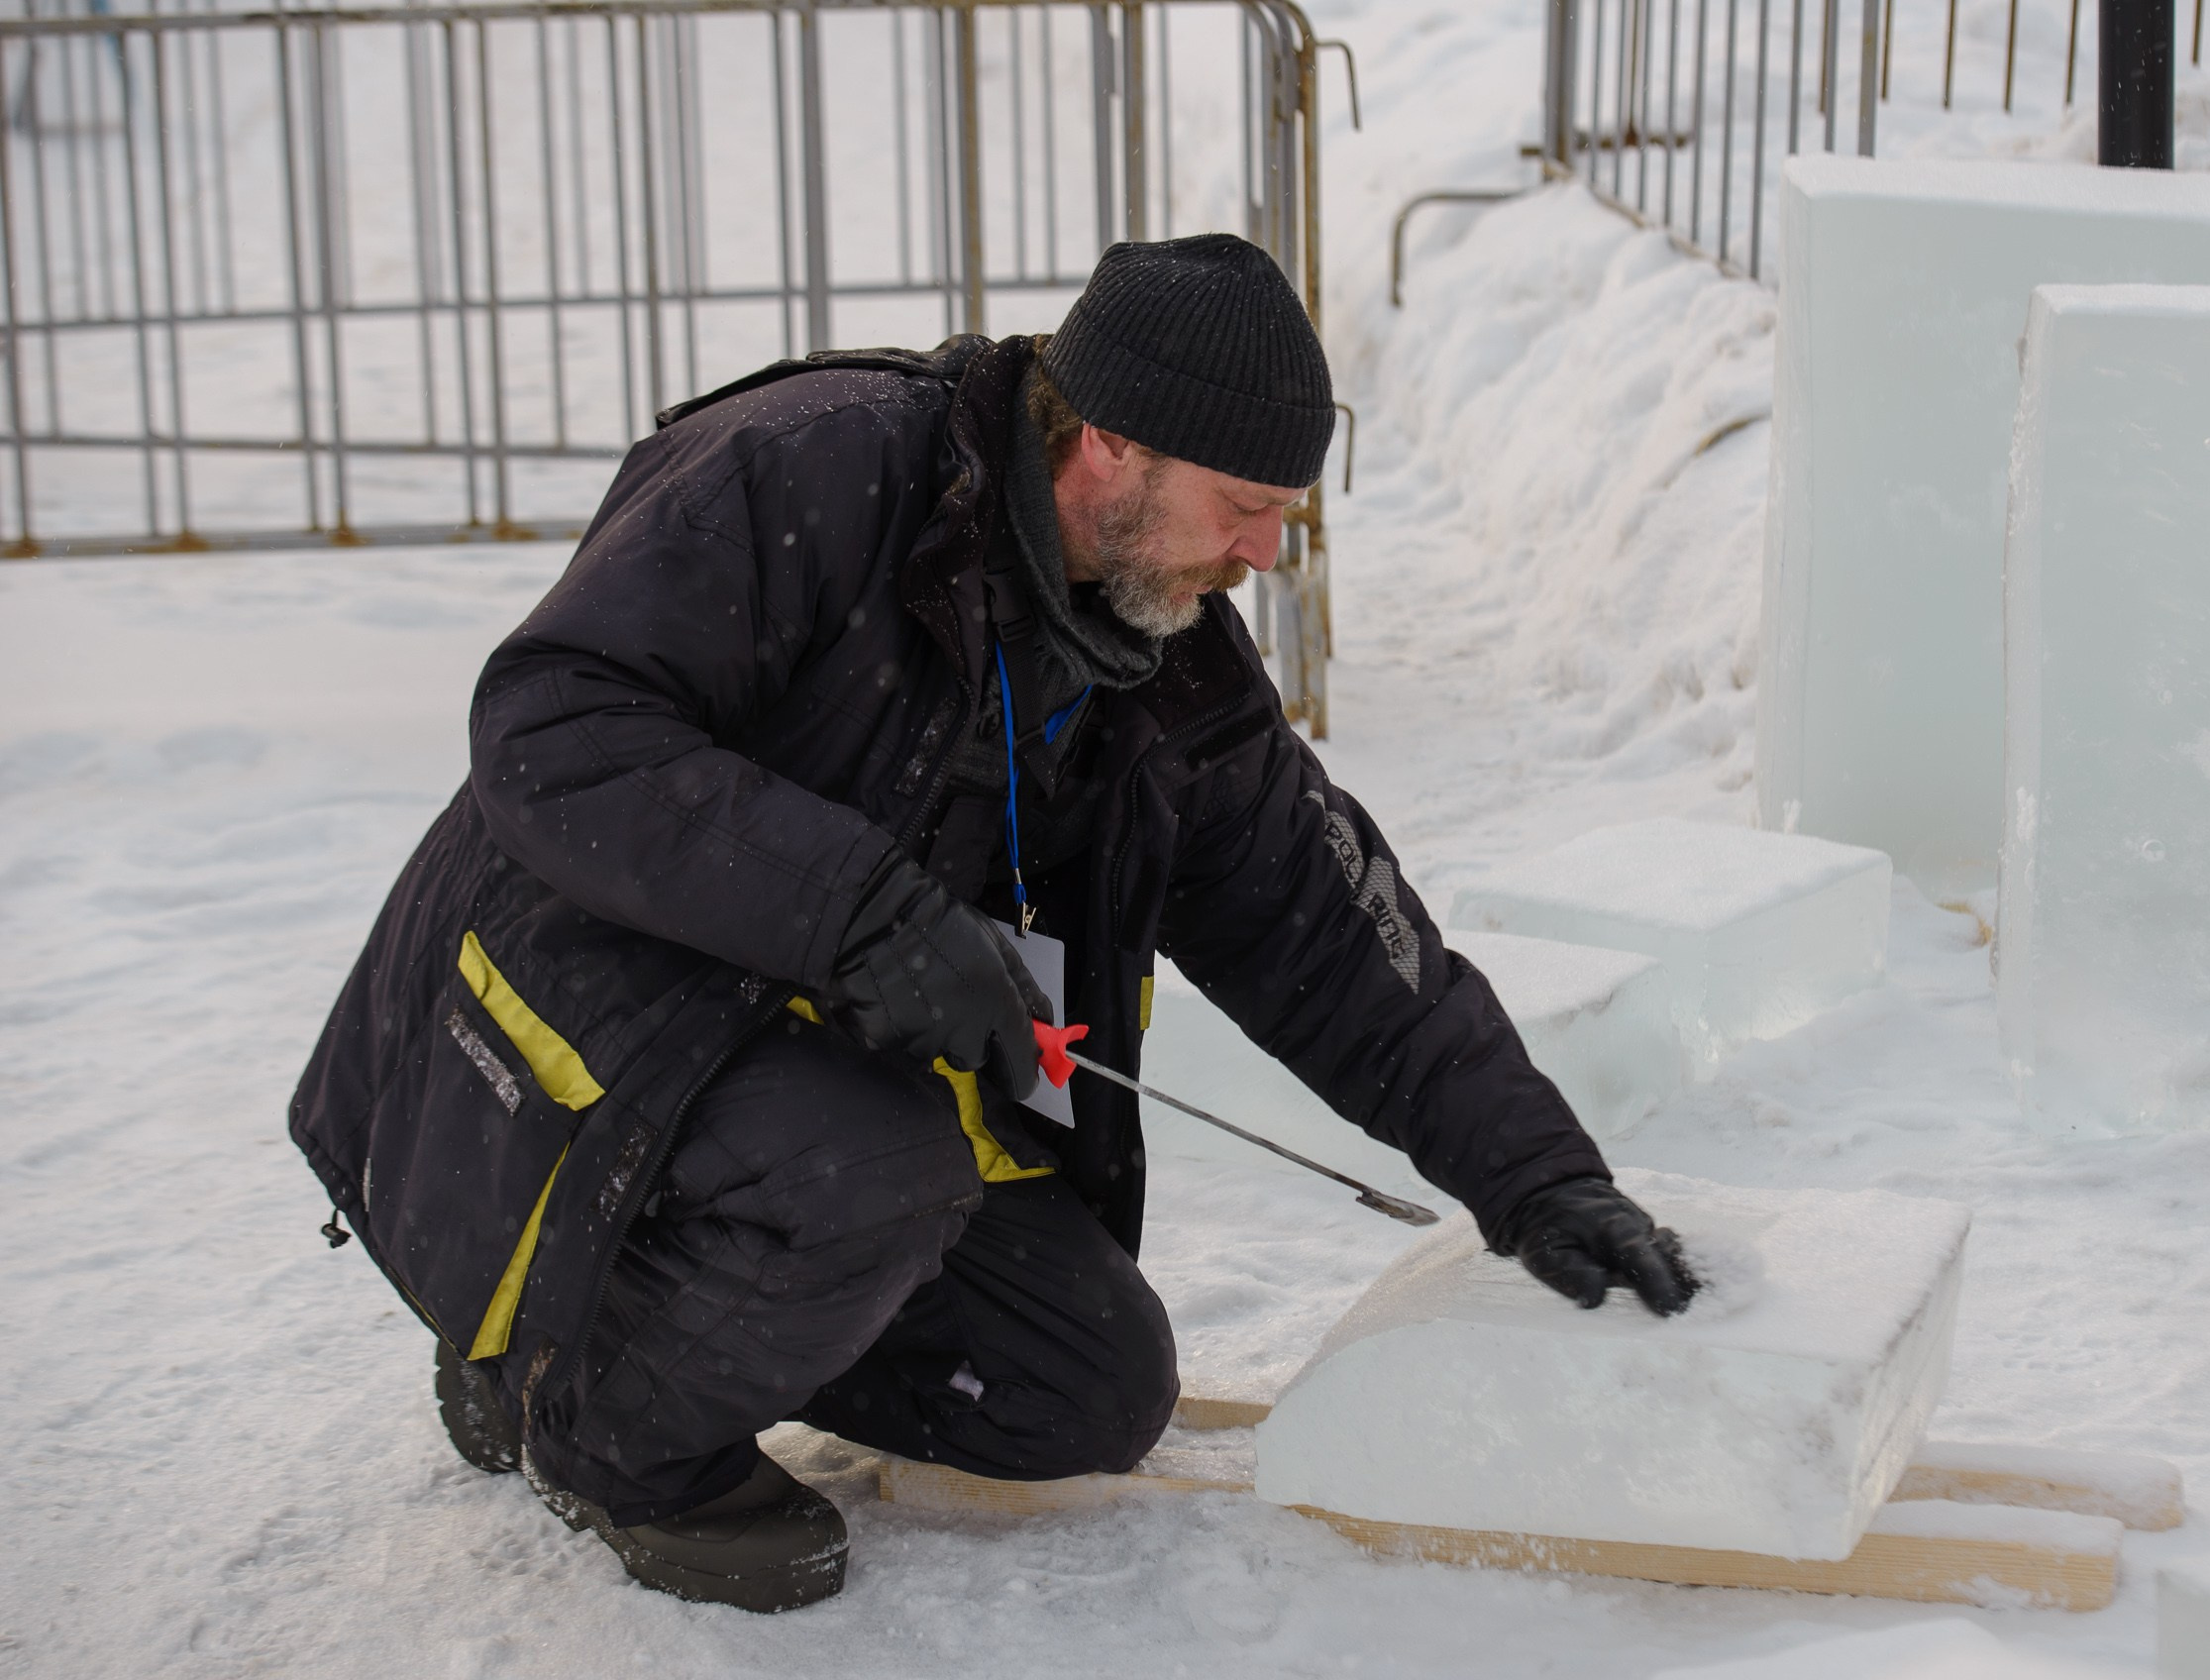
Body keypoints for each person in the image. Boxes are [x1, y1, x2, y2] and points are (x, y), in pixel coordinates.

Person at [289, 234, 1696, 1614]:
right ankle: (591, 1422)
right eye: (1246, 502)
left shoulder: (1162, 656)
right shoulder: (816, 466)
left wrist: (1537, 1177)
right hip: (588, 989)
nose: (1266, 553)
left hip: (818, 1041)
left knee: (1084, 1388)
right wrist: (860, 915)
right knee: (868, 1172)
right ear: (1111, 447)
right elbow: (553, 729)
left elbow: (1326, 930)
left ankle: (652, 1317)